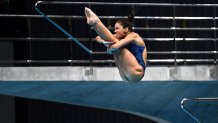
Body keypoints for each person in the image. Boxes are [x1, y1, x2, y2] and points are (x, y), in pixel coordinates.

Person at [85, 7, 147, 82]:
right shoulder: (120, 37)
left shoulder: (134, 36)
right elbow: (98, 38)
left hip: (137, 72)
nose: (115, 31)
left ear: (126, 29)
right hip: (125, 75)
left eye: (117, 28)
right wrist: (103, 42)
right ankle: (94, 23)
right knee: (112, 42)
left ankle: (96, 22)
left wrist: (109, 47)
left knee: (115, 44)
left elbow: (116, 46)